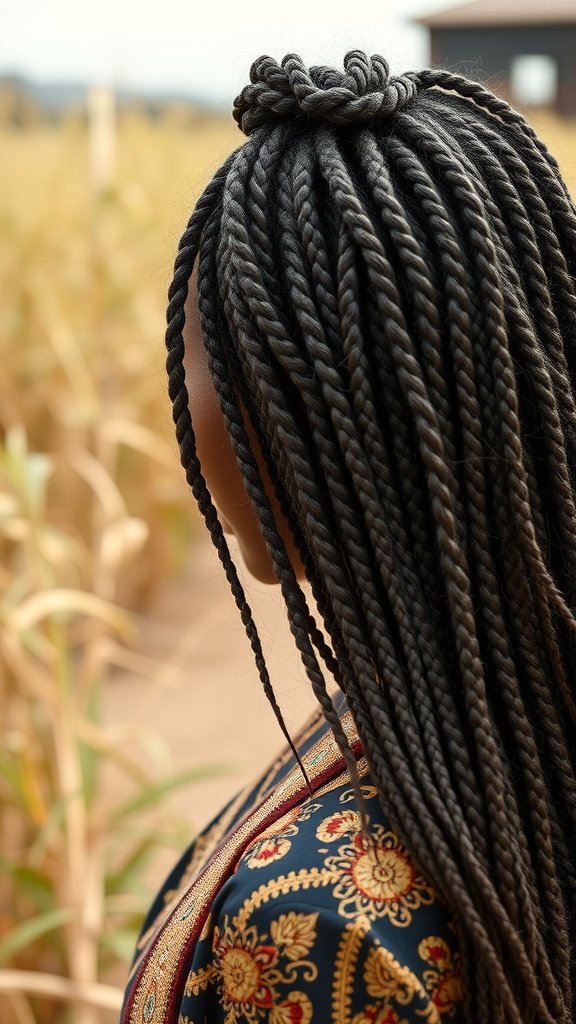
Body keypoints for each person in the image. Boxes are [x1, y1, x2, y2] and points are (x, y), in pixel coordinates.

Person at [120, 51, 576, 1024]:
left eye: (196, 354)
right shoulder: (507, 725)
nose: (179, 403)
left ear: (298, 420)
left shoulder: (315, 922)